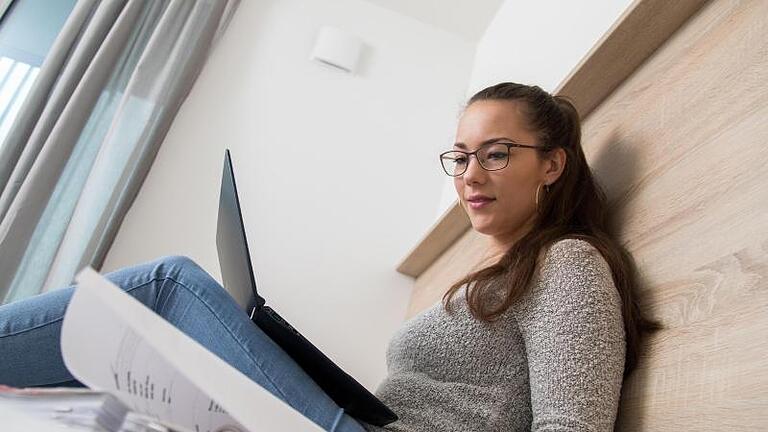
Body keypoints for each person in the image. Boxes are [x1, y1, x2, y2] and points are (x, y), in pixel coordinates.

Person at [0, 82, 659, 431]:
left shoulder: (568, 264)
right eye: (460, 157)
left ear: (552, 163)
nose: (470, 174)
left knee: (171, 288)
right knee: (118, 394)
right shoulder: (502, 274)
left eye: (495, 153)